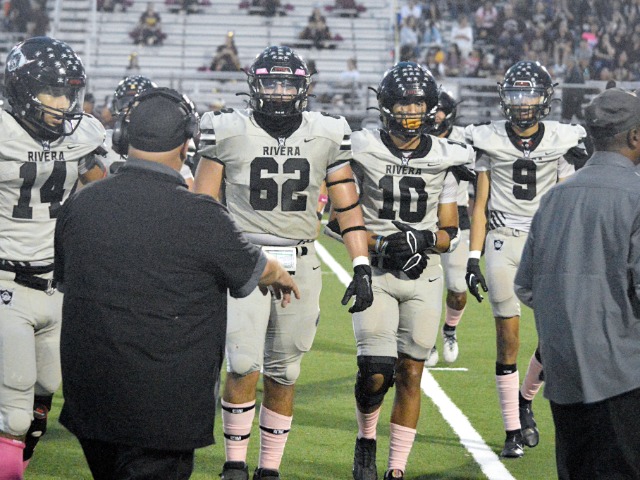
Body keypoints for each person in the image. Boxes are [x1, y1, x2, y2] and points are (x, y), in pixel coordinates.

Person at [54, 87, 300, 480]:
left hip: (92, 403)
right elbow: (254, 268)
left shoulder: (80, 205)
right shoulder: (203, 216)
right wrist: (278, 273)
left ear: (123, 136)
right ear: (187, 145)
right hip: (164, 409)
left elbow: (66, 282)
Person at [193, 46, 373, 480]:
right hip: (244, 257)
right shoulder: (227, 129)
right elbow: (201, 207)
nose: (278, 91)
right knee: (242, 363)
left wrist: (361, 264)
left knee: (285, 371)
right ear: (254, 86)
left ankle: (269, 468)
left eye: (286, 83)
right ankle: (234, 463)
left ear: (302, 88)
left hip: (301, 259)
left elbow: (347, 207)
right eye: (270, 83)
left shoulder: (327, 132)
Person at [341, 62, 475, 480]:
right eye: (403, 103)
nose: (411, 112)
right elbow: (337, 219)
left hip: (424, 273)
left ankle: (396, 468)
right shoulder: (361, 146)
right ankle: (366, 439)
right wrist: (382, 244)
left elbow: (449, 231)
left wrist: (422, 240)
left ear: (431, 107)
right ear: (386, 106)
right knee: (375, 371)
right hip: (377, 271)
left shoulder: (446, 155)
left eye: (418, 104)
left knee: (412, 372)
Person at [463, 61, 589, 458]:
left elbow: (566, 201)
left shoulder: (562, 138)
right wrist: (473, 256)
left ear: (544, 98)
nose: (522, 103)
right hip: (504, 240)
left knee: (558, 334)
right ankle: (511, 430)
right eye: (516, 94)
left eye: (529, 94)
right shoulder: (488, 138)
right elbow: (480, 205)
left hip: (547, 241)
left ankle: (525, 398)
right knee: (508, 338)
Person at [514, 87, 640, 479]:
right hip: (625, 375)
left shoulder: (555, 198)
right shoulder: (636, 196)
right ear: (635, 136)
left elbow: (526, 285)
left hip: (564, 372)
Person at [0, 36, 107, 478]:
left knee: (45, 393)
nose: (63, 103)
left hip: (57, 286)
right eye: (52, 91)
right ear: (23, 89)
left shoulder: (81, 136)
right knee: (14, 412)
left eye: (68, 92)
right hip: (6, 281)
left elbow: (105, 188)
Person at [425, 90, 473, 366]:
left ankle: (450, 330)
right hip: (424, 218)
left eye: (439, 110)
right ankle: (426, 338)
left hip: (457, 216)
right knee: (425, 286)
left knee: (457, 286)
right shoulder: (416, 135)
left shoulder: (466, 138)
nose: (434, 116)